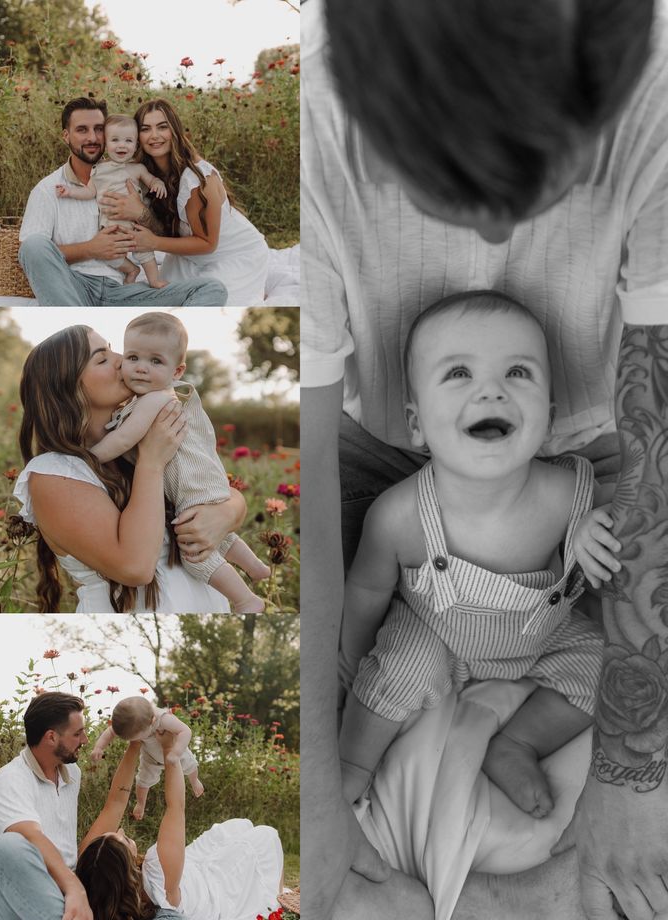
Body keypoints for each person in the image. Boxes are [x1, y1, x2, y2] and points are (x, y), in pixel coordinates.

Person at [301, 0, 668, 918]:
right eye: (453, 194)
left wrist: (633, 770)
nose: (500, 242)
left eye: (553, 183)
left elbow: (656, 448)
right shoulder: (308, 124)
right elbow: (301, 505)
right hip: (372, 440)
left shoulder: (655, 90)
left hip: (598, 439)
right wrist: (318, 794)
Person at [339, 291, 616, 816]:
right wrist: (353, 660)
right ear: (416, 423)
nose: (491, 391)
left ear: (549, 418)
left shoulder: (569, 495)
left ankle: (518, 744)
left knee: (610, 666)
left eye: (518, 373)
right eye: (459, 374)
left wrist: (595, 529)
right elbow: (367, 588)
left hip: (544, 638)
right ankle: (352, 769)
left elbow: (628, 521)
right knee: (397, 671)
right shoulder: (400, 515)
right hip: (435, 637)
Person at [13, 323, 246, 613]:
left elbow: (211, 485)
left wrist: (227, 513)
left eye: (112, 349)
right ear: (67, 387)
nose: (121, 360)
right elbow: (135, 568)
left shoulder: (137, 440)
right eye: (102, 358)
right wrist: (152, 461)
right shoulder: (55, 473)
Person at [88, 312, 270, 614]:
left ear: (178, 370)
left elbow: (123, 440)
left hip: (191, 486)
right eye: (133, 357)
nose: (142, 368)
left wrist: (87, 458)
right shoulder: (151, 398)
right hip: (204, 482)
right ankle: (256, 566)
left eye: (156, 361)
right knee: (218, 534)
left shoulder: (155, 399)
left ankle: (245, 599)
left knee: (196, 552)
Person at [18, 97, 227, 307]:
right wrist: (90, 249)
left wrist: (141, 213)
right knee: (33, 245)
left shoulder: (130, 174)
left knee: (211, 289)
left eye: (99, 129)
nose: (92, 138)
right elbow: (32, 255)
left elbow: (160, 231)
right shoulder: (48, 190)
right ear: (66, 135)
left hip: (120, 292)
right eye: (82, 130)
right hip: (74, 286)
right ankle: (76, 315)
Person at [76, 726, 285, 920]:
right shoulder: (157, 871)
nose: (120, 829)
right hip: (209, 895)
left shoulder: (91, 872)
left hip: (187, 876)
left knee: (239, 826)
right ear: (127, 869)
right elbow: (176, 807)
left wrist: (135, 744)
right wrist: (169, 749)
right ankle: (280, 906)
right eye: (125, 839)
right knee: (265, 836)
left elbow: (115, 802)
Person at [100, 98, 270, 306]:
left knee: (211, 300)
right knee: (163, 299)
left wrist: (152, 241)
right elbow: (166, 230)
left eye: (162, 127)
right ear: (137, 137)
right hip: (187, 254)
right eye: (146, 129)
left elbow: (208, 243)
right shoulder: (143, 172)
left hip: (234, 253)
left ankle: (251, 286)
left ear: (175, 131)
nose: (154, 136)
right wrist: (136, 213)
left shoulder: (198, 180)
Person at [0, 692, 92, 920]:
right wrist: (75, 888)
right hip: (8, 900)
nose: (85, 740)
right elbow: (32, 837)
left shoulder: (72, 774)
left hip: (58, 896)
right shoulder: (10, 778)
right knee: (8, 845)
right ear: (51, 737)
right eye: (77, 733)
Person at [55, 114, 168, 289]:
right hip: (112, 227)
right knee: (108, 255)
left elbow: (151, 180)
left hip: (135, 225)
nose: (122, 145)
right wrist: (70, 191)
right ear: (106, 144)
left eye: (128, 141)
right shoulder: (98, 170)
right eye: (115, 140)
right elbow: (89, 191)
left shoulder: (137, 169)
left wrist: (158, 183)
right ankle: (131, 270)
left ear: (136, 144)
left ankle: (154, 280)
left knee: (146, 252)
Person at [90, 695, 205, 820]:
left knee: (190, 765)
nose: (133, 741)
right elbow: (111, 732)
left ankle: (194, 781)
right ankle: (141, 803)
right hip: (150, 756)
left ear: (152, 722)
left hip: (174, 751)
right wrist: (99, 747)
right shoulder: (134, 721)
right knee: (142, 781)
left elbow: (185, 731)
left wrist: (176, 752)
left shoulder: (163, 719)